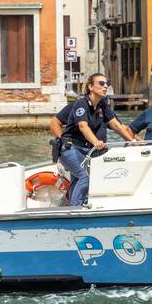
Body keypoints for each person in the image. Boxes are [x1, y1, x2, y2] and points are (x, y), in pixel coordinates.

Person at [49, 73, 137, 207]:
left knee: (77, 178)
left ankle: (74, 208)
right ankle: (76, 211)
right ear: (91, 87)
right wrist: (96, 142)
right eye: (101, 83)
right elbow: (82, 126)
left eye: (107, 83)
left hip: (87, 150)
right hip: (71, 148)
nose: (105, 86)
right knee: (84, 177)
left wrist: (132, 141)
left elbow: (116, 125)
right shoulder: (80, 104)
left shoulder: (102, 104)